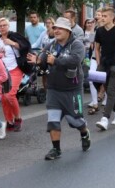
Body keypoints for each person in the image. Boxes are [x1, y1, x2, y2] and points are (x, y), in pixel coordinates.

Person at [27, 17, 90, 160]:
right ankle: (56, 149)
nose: (56, 30)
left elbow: (75, 60)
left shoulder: (77, 45)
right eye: (54, 28)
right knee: (53, 120)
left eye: (59, 28)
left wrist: (56, 61)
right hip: (54, 89)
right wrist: (38, 62)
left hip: (72, 89)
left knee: (74, 121)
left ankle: (84, 132)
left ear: (68, 30)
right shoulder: (51, 45)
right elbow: (43, 63)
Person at [0, 17, 25, 132]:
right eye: (0, 26)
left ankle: (18, 119)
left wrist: (12, 43)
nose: (2, 28)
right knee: (3, 98)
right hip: (3, 72)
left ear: (8, 26)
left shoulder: (14, 36)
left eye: (4, 25)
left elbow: (24, 47)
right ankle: (9, 121)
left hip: (15, 69)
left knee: (10, 95)